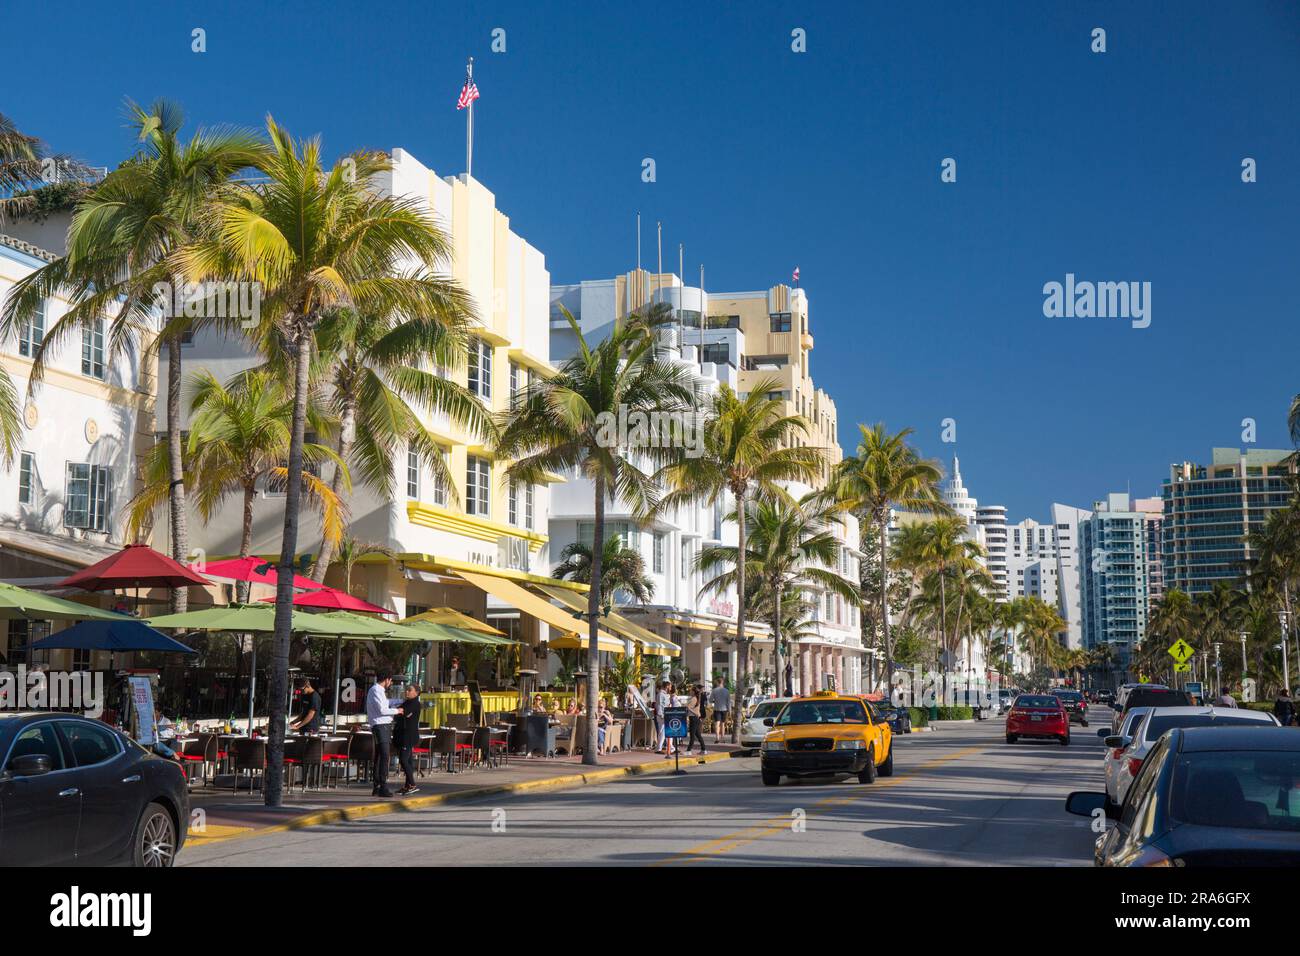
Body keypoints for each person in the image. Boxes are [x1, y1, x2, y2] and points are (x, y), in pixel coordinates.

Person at [365, 669, 401, 797]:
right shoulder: (376, 690)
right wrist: (398, 711)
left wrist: (398, 701)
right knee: (385, 755)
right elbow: (382, 710)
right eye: (390, 681)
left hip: (382, 726)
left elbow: (386, 703)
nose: (390, 683)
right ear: (387, 679)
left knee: (380, 756)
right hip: (381, 726)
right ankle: (382, 785)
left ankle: (377, 785)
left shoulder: (379, 691)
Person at [393, 682, 422, 795]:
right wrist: (400, 713)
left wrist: (401, 714)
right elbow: (397, 714)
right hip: (401, 735)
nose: (407, 692)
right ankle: (407, 785)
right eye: (407, 690)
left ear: (416, 693)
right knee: (408, 760)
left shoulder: (415, 704)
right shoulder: (406, 702)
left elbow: (404, 714)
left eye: (410, 690)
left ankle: (412, 784)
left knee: (404, 760)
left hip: (408, 736)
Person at [684, 683, 708, 754]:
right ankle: (703, 749)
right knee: (697, 734)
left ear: (694, 692)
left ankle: (689, 750)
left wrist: (688, 709)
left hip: (694, 718)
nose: (690, 692)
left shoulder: (694, 699)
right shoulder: (696, 698)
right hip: (695, 718)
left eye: (691, 691)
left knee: (692, 735)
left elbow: (690, 708)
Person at [710, 677, 731, 743]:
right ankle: (723, 738)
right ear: (723, 682)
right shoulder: (727, 691)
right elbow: (728, 702)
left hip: (717, 709)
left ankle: (717, 738)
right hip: (724, 709)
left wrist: (715, 701)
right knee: (723, 724)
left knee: (717, 724)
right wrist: (729, 710)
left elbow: (710, 700)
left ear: (717, 682)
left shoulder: (714, 690)